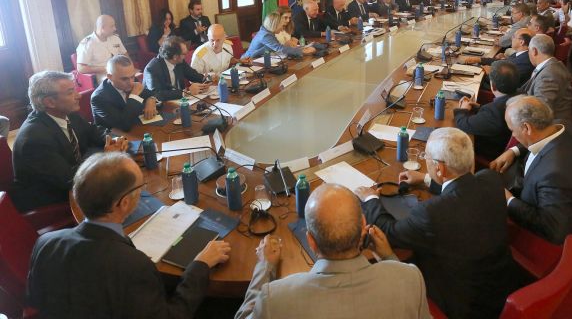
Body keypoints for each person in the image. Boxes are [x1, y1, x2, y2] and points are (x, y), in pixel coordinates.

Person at [27, 152, 231, 318]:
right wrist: (200, 265)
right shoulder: (133, 266)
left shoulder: (45, 242)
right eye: (140, 187)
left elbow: (35, 299)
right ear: (124, 203)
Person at [356, 128, 518, 319]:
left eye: (427, 157)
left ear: (440, 169)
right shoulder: (490, 179)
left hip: (462, 304)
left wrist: (370, 199)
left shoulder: (431, 213)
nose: (426, 160)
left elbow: (388, 233)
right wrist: (426, 179)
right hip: (501, 286)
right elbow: (463, 188)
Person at [235, 183, 431, 319]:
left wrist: (264, 266)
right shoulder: (411, 278)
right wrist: (388, 257)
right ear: (363, 226)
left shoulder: (275, 299)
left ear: (311, 241)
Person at [11, 71, 128, 212]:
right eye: (70, 92)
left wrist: (114, 140)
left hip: (77, 174)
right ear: (50, 102)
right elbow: (70, 179)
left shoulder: (67, 113)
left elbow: (94, 131)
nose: (79, 95)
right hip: (52, 200)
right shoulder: (34, 140)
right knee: (123, 194)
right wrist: (104, 158)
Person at [491, 96, 572, 244]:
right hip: (544, 191)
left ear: (526, 128)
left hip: (551, 238)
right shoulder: (563, 126)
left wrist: (509, 201)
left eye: (512, 130)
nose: (513, 135)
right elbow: (538, 136)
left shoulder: (556, 175)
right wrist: (514, 151)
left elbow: (553, 230)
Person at [454, 61, 519, 160]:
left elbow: (462, 124)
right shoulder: (519, 96)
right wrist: (478, 107)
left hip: (487, 152)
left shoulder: (495, 112)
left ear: (493, 86)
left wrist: (463, 110)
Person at [91, 55, 157, 132]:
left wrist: (151, 100)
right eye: (124, 79)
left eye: (132, 77)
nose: (131, 82)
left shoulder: (130, 79)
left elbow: (149, 93)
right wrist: (134, 95)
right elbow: (124, 124)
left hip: (137, 127)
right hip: (115, 136)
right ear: (110, 77)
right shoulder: (99, 98)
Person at [519, 34, 572, 122]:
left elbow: (541, 111)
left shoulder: (549, 75)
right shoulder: (553, 64)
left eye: (528, 50)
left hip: (552, 123)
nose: (528, 53)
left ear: (534, 51)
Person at [143, 36, 208, 101]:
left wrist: (207, 80)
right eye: (184, 54)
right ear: (175, 57)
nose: (186, 56)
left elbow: (193, 75)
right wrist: (187, 92)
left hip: (179, 100)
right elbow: (157, 94)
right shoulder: (152, 69)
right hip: (161, 104)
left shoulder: (179, 61)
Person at [465, 28, 534, 87]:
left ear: (521, 42)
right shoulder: (521, 54)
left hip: (492, 87)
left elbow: (506, 83)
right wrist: (480, 59)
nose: (511, 38)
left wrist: (490, 72)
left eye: (514, 37)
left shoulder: (524, 62)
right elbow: (502, 62)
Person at [76, 15, 128, 84]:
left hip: (120, 72)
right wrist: (107, 69)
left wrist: (128, 68)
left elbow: (125, 55)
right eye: (112, 26)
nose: (115, 29)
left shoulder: (115, 38)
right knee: (124, 84)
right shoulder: (87, 43)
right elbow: (81, 68)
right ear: (103, 27)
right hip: (102, 77)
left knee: (135, 80)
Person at [242, 11, 316, 59]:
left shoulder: (268, 32)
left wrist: (302, 48)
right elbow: (280, 48)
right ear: (275, 25)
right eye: (282, 26)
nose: (282, 29)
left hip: (260, 59)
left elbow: (279, 48)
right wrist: (303, 51)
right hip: (248, 61)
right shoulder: (265, 35)